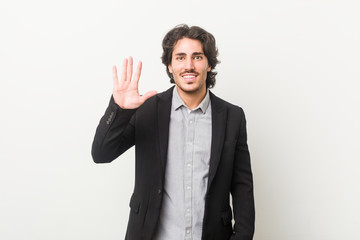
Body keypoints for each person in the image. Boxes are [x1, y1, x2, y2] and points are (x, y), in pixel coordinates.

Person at [91, 24, 255, 240]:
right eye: (180, 57)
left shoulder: (232, 117)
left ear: (208, 64)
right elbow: (101, 154)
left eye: (197, 57)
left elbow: (242, 187)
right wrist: (119, 109)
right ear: (170, 65)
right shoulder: (147, 110)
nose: (189, 65)